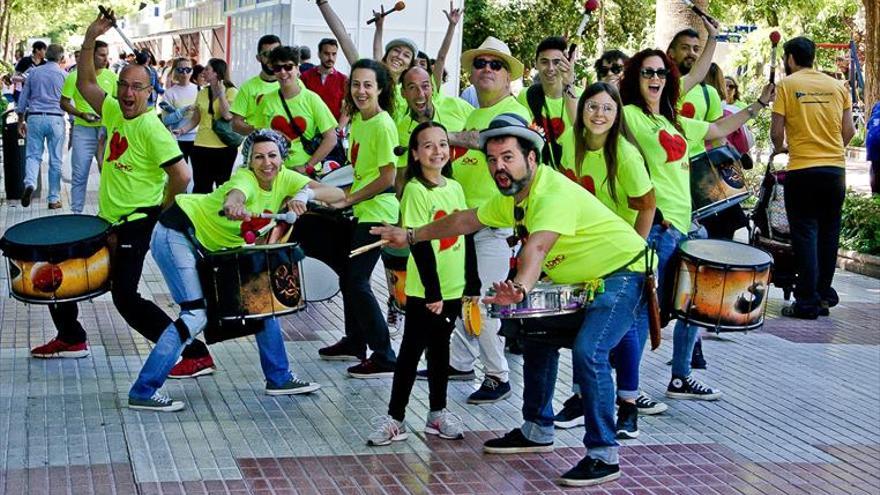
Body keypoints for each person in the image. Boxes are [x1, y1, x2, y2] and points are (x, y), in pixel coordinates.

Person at [371, 113, 651, 487]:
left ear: (531, 159)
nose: (498, 167)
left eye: (507, 157)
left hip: (623, 274)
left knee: (590, 351)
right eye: (492, 159)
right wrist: (411, 235)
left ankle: (604, 454)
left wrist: (519, 287)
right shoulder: (514, 197)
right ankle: (537, 429)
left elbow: (536, 248)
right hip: (583, 278)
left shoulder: (551, 194)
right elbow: (462, 222)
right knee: (535, 334)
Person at [29, 11, 216, 380]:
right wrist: (88, 36)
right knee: (61, 264)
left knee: (126, 297)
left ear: (150, 93)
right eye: (124, 86)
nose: (128, 93)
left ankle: (193, 353)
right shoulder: (114, 111)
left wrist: (160, 212)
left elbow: (182, 175)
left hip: (137, 222)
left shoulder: (153, 129)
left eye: (137, 88)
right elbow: (84, 83)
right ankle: (71, 337)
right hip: (108, 221)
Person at [127, 129, 345, 411]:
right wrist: (234, 206)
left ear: (282, 159)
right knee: (195, 314)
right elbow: (236, 195)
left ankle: (279, 378)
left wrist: (304, 193)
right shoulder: (245, 179)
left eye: (272, 156)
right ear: (249, 162)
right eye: (258, 157)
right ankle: (143, 391)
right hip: (177, 232)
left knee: (263, 302)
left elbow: (337, 194)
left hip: (210, 245)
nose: (267, 163)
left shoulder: (287, 178)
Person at [619, 48, 774, 401]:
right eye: (647, 73)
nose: (655, 78)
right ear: (635, 79)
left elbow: (720, 127)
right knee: (645, 308)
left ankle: (680, 377)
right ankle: (629, 390)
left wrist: (759, 105)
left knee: (695, 303)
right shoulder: (629, 116)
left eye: (661, 73)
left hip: (685, 227)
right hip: (657, 228)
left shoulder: (675, 121)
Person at [552, 82, 664, 432]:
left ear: (617, 116)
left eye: (607, 108)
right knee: (584, 325)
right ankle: (580, 397)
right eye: (592, 107)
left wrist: (635, 249)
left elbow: (647, 206)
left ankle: (627, 404)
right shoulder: (569, 144)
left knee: (624, 327)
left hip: (621, 254)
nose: (599, 114)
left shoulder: (626, 155)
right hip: (585, 250)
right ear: (582, 110)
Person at [367, 121, 479, 445]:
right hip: (427, 291)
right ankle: (396, 418)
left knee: (441, 351)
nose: (437, 151)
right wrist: (433, 292)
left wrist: (472, 282)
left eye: (442, 144)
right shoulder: (415, 190)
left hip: (454, 288)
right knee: (411, 353)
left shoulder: (455, 187)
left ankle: (437, 414)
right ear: (415, 153)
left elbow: (465, 234)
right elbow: (419, 241)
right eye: (427, 145)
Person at [444, 36, 530, 404]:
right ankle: (460, 361)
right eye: (480, 63)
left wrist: (446, 136)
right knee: (470, 297)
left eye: (495, 65)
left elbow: (495, 143)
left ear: (508, 75)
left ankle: (497, 375)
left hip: (494, 224)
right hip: (469, 221)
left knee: (488, 300)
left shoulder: (512, 112)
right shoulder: (473, 111)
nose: (486, 70)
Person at [315, 59, 399, 378]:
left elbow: (388, 176)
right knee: (348, 274)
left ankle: (384, 354)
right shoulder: (360, 122)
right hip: (362, 210)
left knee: (357, 279)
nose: (360, 91)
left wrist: (349, 199)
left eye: (367, 85)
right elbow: (361, 173)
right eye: (356, 84)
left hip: (379, 213)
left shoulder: (382, 124)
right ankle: (354, 340)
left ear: (380, 88)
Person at [771, 36, 855, 319]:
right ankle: (821, 296)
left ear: (791, 58)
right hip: (834, 171)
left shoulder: (786, 85)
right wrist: (830, 150)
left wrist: (783, 147)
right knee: (829, 233)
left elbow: (775, 133)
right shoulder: (837, 86)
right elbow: (850, 132)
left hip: (802, 170)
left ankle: (806, 300)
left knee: (805, 233)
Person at [252, 45, 338, 172]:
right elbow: (259, 137)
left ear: (297, 69)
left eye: (288, 67)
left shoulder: (312, 99)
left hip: (304, 174)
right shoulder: (266, 100)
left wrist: (307, 166)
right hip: (274, 171)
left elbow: (331, 138)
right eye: (277, 68)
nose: (283, 72)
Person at [60, 39, 118, 214]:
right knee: (80, 174)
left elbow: (117, 104)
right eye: (101, 55)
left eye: (106, 55)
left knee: (108, 174)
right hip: (82, 130)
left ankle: (108, 213)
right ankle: (76, 213)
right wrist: (81, 114)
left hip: (105, 132)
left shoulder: (112, 76)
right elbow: (63, 103)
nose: (105, 59)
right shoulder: (74, 76)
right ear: (91, 55)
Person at [176, 58, 239, 193]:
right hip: (201, 146)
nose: (203, 72)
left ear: (216, 73)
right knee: (201, 188)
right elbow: (195, 119)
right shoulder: (202, 92)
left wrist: (220, 94)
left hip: (224, 147)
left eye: (207, 69)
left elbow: (227, 115)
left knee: (222, 187)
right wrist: (181, 130)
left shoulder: (231, 91)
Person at [518, 36, 582, 167]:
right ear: (536, 63)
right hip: (539, 177)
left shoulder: (582, 97)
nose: (551, 68)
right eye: (544, 62)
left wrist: (568, 82)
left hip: (572, 177)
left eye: (557, 62)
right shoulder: (525, 96)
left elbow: (582, 133)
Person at [17, 43, 66, 209]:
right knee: (55, 160)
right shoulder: (63, 75)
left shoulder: (33, 73)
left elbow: (23, 98)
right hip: (56, 119)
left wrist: (20, 120)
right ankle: (53, 199)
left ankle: (30, 183)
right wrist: (74, 120)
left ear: (46, 55)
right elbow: (68, 101)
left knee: (33, 155)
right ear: (60, 57)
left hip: (35, 118)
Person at [230, 34, 282, 135]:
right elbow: (236, 123)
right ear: (258, 58)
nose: (272, 58)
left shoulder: (294, 84)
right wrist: (260, 131)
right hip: (258, 147)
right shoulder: (248, 87)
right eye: (266, 54)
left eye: (276, 53)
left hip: (289, 148)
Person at [160, 57, 199, 164]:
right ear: (175, 71)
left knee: (200, 178)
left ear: (192, 71)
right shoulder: (169, 93)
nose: (184, 73)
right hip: (178, 140)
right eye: (180, 70)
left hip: (199, 139)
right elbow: (166, 120)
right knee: (182, 176)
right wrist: (183, 111)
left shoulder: (200, 90)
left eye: (188, 69)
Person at [301, 38, 348, 122]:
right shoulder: (305, 77)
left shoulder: (343, 80)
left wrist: (338, 130)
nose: (331, 58)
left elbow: (347, 108)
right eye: (326, 54)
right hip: (310, 129)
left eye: (334, 54)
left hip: (333, 130)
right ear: (319, 54)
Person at [867, 101, 880, 194]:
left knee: (876, 171)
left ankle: (875, 198)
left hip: (873, 143)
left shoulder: (877, 105)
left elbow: (869, 126)